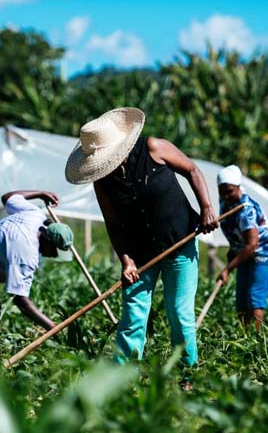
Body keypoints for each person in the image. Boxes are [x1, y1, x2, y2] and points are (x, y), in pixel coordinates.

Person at [64, 107, 218, 388]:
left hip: (179, 243)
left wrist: (206, 208)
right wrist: (125, 260)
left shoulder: (154, 147)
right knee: (133, 316)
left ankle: (188, 375)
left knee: (180, 314)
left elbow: (192, 170)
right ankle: (122, 378)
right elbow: (113, 223)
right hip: (139, 254)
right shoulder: (103, 180)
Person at [0, 190, 74, 330]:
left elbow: (8, 198)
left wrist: (39, 194)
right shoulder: (25, 253)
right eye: (54, 252)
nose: (53, 256)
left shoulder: (36, 215)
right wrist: (51, 326)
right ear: (46, 240)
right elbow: (19, 298)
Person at [215, 165, 268, 330]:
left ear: (238, 187)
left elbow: (252, 244)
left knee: (254, 298)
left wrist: (227, 269)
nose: (225, 196)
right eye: (222, 191)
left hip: (265, 250)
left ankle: (254, 341)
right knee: (241, 299)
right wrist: (232, 252)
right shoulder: (225, 201)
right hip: (245, 251)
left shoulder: (246, 211)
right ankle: (243, 336)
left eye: (230, 191)